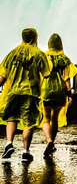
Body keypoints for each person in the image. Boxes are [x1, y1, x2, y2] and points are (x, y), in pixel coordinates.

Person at [0, 28, 51, 163]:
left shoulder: (12, 53)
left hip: (13, 91)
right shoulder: (39, 54)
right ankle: (25, 152)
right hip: (30, 92)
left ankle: (9, 143)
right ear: (35, 37)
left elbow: (3, 75)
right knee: (28, 122)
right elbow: (47, 73)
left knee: (11, 118)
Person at [40, 33, 77, 158]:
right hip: (59, 91)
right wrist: (70, 95)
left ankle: (48, 141)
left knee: (45, 118)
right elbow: (67, 79)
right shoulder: (64, 59)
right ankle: (53, 142)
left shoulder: (44, 57)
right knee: (55, 118)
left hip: (46, 90)